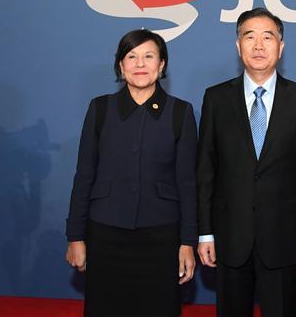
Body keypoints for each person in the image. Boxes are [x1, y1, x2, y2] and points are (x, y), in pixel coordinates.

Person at [196, 8, 296, 317]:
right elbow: (205, 171)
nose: (258, 46)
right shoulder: (216, 99)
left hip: (285, 239)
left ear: (280, 47)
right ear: (237, 45)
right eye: (249, 37)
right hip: (230, 239)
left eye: (267, 37)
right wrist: (205, 233)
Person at [65, 29, 197, 317]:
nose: (140, 64)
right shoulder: (100, 108)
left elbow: (188, 184)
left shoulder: (180, 112)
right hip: (106, 233)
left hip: (161, 236)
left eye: (149, 56)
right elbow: (84, 175)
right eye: (132, 56)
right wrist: (75, 236)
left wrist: (187, 243)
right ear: (121, 66)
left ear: (161, 65)